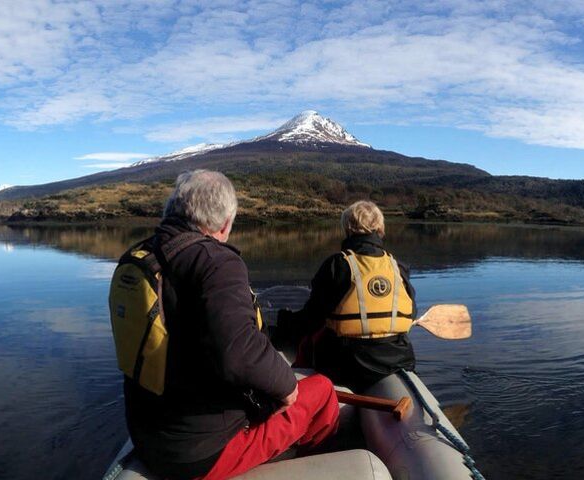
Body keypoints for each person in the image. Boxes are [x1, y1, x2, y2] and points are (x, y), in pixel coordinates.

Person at [115, 170, 339, 480]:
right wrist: (287, 388)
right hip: (202, 453)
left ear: (172, 210)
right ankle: (316, 464)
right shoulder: (216, 261)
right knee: (323, 390)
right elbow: (239, 353)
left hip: (150, 437)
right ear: (225, 223)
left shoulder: (141, 257)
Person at [278, 200, 418, 392]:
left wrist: (283, 321)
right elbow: (410, 315)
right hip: (397, 360)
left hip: (346, 364)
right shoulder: (398, 267)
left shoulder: (338, 265)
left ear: (348, 228)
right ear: (380, 228)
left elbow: (312, 318)